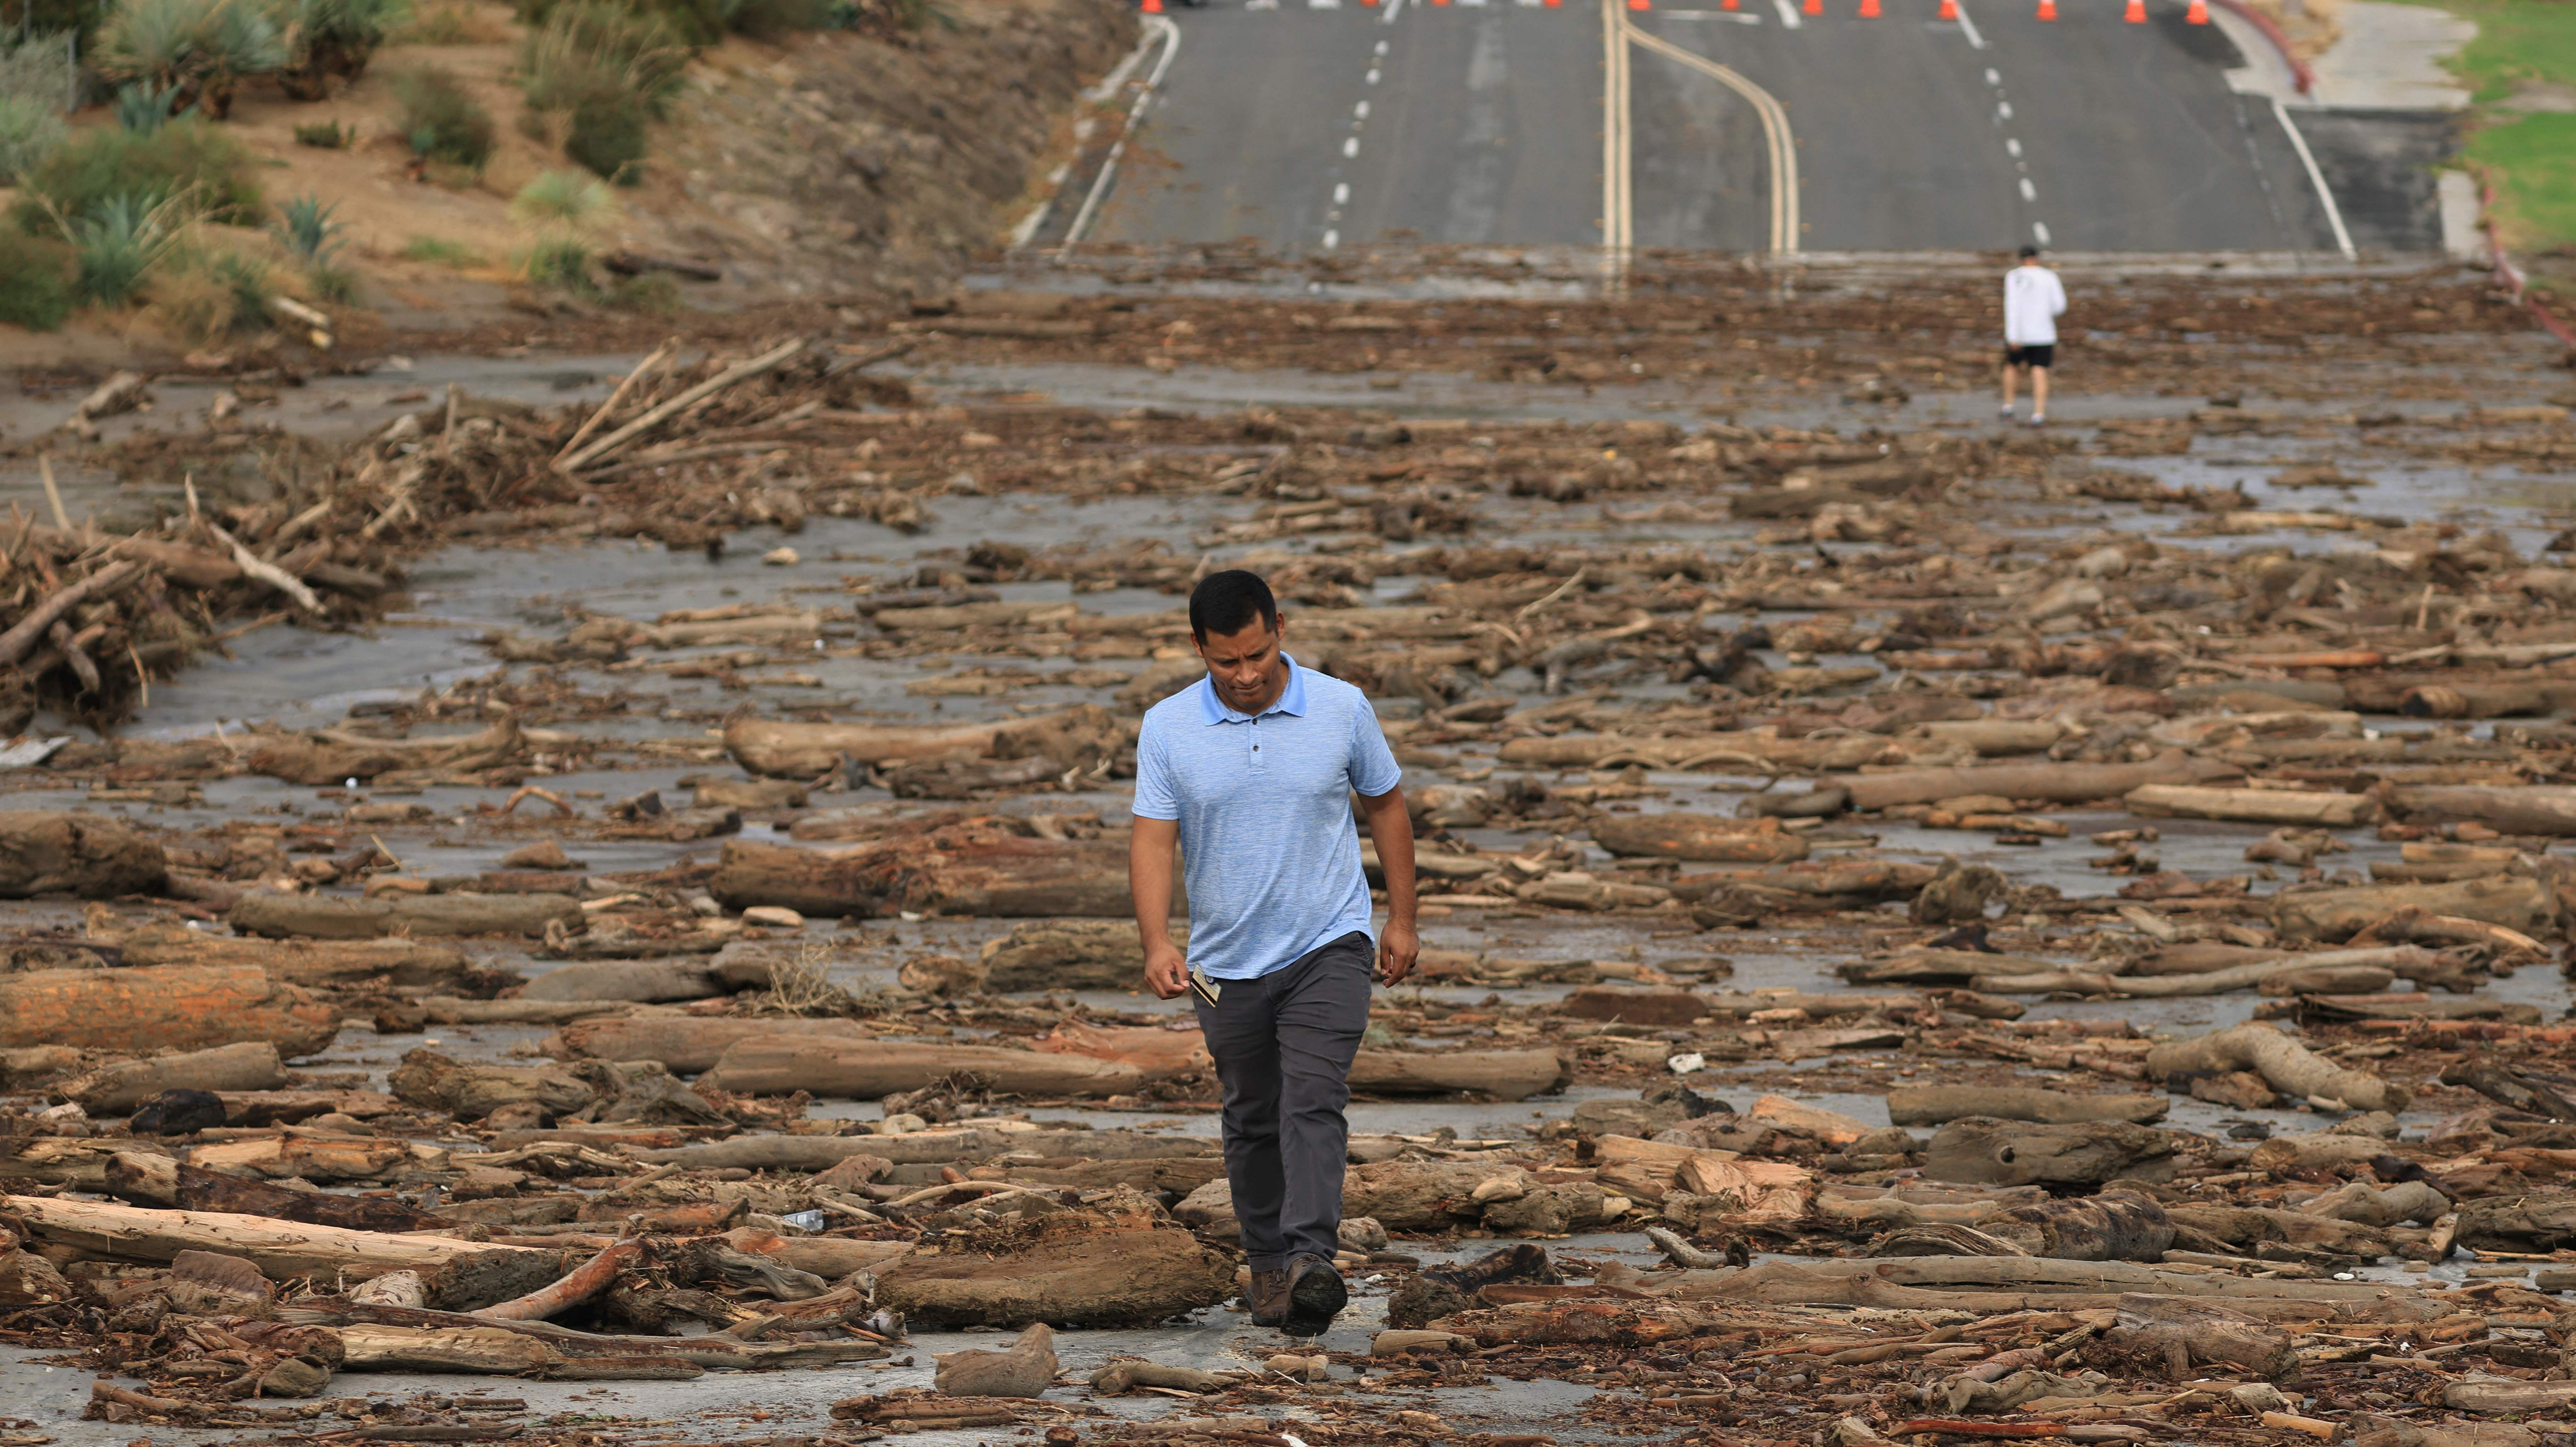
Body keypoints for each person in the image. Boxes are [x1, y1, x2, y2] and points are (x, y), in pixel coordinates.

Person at [1128, 569, 1419, 1337]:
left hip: (1330, 939)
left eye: (1257, 654)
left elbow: (1385, 802)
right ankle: (1267, 1263)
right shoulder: (1166, 728)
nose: (1247, 674)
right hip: (1225, 962)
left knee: (1312, 1094)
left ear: (1280, 628)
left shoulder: (1340, 707)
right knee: (1252, 1114)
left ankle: (1311, 1258)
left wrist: (1401, 919)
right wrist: (1158, 939)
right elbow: (1153, 839)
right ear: (1198, 648)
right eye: (1226, 661)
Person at [2000, 244, 2067, 426]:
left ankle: (2008, 406)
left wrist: (2012, 335)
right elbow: (2060, 306)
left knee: (2011, 366)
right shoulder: (2049, 276)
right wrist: (2045, 314)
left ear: (2020, 259)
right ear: (2037, 258)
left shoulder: (2013, 277)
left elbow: (2011, 307)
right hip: (2043, 333)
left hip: (2019, 333)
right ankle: (2039, 413)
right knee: (2039, 369)